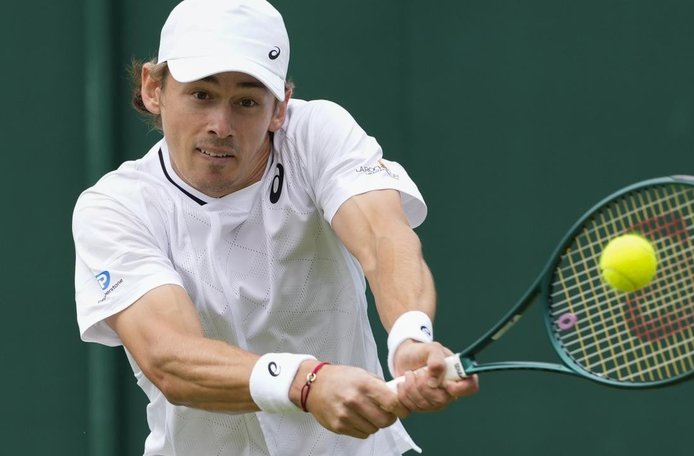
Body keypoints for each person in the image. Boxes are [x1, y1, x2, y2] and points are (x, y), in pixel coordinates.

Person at [72, 0, 477, 454]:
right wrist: (306, 383)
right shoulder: (114, 207)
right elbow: (170, 357)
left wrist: (410, 336)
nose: (220, 126)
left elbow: (384, 239)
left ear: (280, 107)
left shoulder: (317, 134)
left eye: (246, 101)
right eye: (201, 95)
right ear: (153, 88)